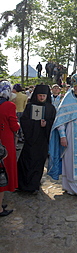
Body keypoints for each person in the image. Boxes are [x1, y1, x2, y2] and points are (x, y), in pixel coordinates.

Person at [18, 85, 56, 193]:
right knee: (27, 162)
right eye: (40, 95)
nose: (42, 98)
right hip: (31, 141)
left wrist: (46, 124)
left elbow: (53, 122)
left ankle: (34, 185)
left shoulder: (51, 108)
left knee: (39, 163)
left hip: (42, 141)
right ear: (36, 95)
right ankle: (23, 185)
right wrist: (36, 124)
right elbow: (24, 121)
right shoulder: (30, 107)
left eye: (44, 96)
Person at [0, 81, 20, 216]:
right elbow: (14, 127)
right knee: (3, 173)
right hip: (4, 142)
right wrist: (18, 124)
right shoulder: (9, 105)